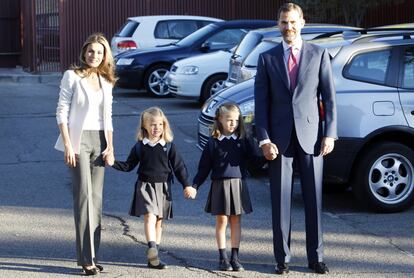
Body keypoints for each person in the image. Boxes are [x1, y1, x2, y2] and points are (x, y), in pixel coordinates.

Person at [254, 2, 337, 275]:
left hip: (313, 139)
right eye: (283, 22)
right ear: (278, 24)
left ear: (302, 22)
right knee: (281, 202)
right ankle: (283, 259)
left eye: (292, 22)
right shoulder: (267, 58)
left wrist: (330, 134)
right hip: (278, 142)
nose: (288, 27)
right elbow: (261, 104)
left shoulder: (318, 54)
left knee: (314, 201)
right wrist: (264, 140)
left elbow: (329, 98)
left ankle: (316, 257)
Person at [55, 33, 116, 275]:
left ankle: (94, 255)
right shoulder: (72, 76)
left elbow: (108, 116)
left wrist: (110, 146)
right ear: (84, 52)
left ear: (105, 56)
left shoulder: (106, 80)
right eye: (91, 51)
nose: (94, 56)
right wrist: (69, 145)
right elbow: (61, 111)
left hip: (100, 140)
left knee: (96, 199)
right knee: (83, 197)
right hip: (78, 140)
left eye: (99, 52)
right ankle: (85, 260)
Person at [107, 106, 196, 269]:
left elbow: (179, 168)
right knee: (150, 216)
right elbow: (128, 166)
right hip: (145, 186)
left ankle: (153, 258)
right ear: (145, 126)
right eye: (153, 125)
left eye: (160, 125)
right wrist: (113, 163)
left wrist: (187, 185)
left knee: (159, 221)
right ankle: (152, 248)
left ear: (165, 126)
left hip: (164, 187)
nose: (157, 128)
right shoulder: (140, 146)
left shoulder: (169, 147)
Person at [192, 103, 262, 272]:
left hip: (238, 184)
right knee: (222, 220)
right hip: (220, 185)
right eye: (229, 120)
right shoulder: (213, 142)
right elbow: (204, 167)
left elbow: (255, 159)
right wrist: (195, 185)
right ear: (220, 120)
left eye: (236, 121)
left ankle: (235, 257)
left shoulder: (243, 140)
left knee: (236, 220)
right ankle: (223, 257)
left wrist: (269, 155)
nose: (233, 124)